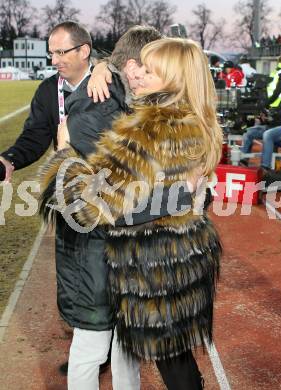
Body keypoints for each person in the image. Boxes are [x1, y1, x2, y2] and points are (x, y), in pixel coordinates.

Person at [40, 37, 223, 390]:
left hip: (152, 262)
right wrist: (106, 66)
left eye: (149, 69)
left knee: (172, 362)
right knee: (176, 357)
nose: (136, 72)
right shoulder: (195, 116)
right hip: (184, 252)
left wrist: (63, 154)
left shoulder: (149, 125)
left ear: (172, 77)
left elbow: (92, 204)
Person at [1, 21, 170, 390]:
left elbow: (134, 66)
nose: (55, 59)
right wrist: (10, 159)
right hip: (88, 214)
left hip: (115, 216)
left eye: (62, 51)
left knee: (114, 332)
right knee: (100, 322)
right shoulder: (50, 91)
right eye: (51, 52)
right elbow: (34, 135)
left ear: (85, 51)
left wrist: (105, 68)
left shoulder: (114, 85)